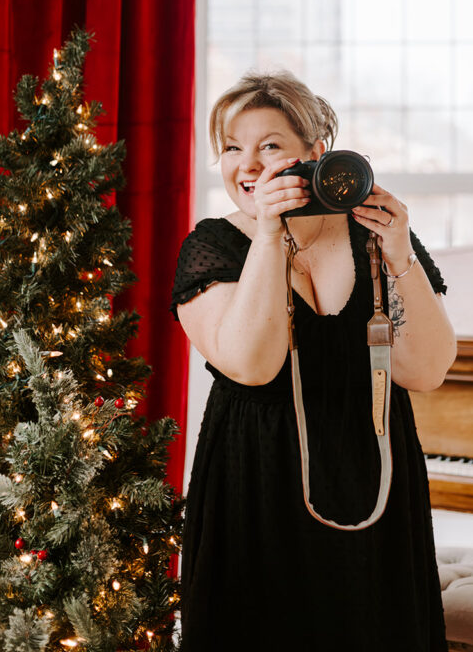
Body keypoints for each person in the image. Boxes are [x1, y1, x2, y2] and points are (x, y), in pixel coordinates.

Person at [169, 70, 456, 652]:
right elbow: (252, 364)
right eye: (231, 148)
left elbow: (426, 370)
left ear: (316, 156)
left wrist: (401, 256)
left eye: (268, 146)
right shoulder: (211, 246)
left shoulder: (376, 237)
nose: (246, 165)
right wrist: (269, 236)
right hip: (256, 481)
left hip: (374, 472)